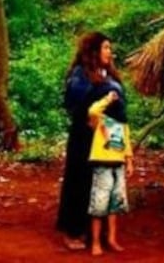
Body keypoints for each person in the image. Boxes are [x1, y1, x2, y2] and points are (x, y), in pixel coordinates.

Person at [56, 31, 119, 251]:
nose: (109, 52)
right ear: (93, 51)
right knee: (80, 180)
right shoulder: (80, 75)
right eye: (105, 47)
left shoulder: (108, 74)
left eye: (110, 48)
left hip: (105, 134)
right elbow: (75, 104)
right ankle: (73, 229)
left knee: (101, 181)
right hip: (84, 135)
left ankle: (95, 229)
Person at [87, 79, 133, 256]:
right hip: (102, 165)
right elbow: (92, 110)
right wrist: (107, 99)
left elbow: (126, 143)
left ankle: (112, 239)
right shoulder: (100, 120)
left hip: (118, 165)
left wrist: (129, 161)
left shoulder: (122, 123)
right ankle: (96, 242)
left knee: (115, 204)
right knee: (99, 205)